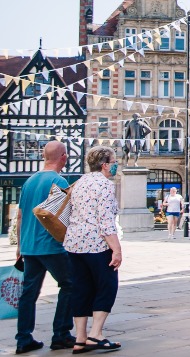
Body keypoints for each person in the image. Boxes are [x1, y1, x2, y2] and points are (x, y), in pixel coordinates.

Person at [14, 141, 76, 354]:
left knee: (28, 293)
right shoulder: (58, 181)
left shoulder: (29, 181)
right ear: (63, 157)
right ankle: (61, 334)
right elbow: (64, 215)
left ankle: (23, 339)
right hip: (52, 245)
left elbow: (20, 216)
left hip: (30, 247)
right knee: (69, 285)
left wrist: (20, 246)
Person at [64, 145, 122, 354]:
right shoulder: (104, 185)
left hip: (74, 244)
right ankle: (96, 334)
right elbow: (105, 221)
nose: (115, 166)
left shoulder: (79, 182)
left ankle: (80, 338)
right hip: (96, 245)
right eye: (114, 162)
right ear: (105, 165)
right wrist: (116, 249)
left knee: (81, 288)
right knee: (106, 286)